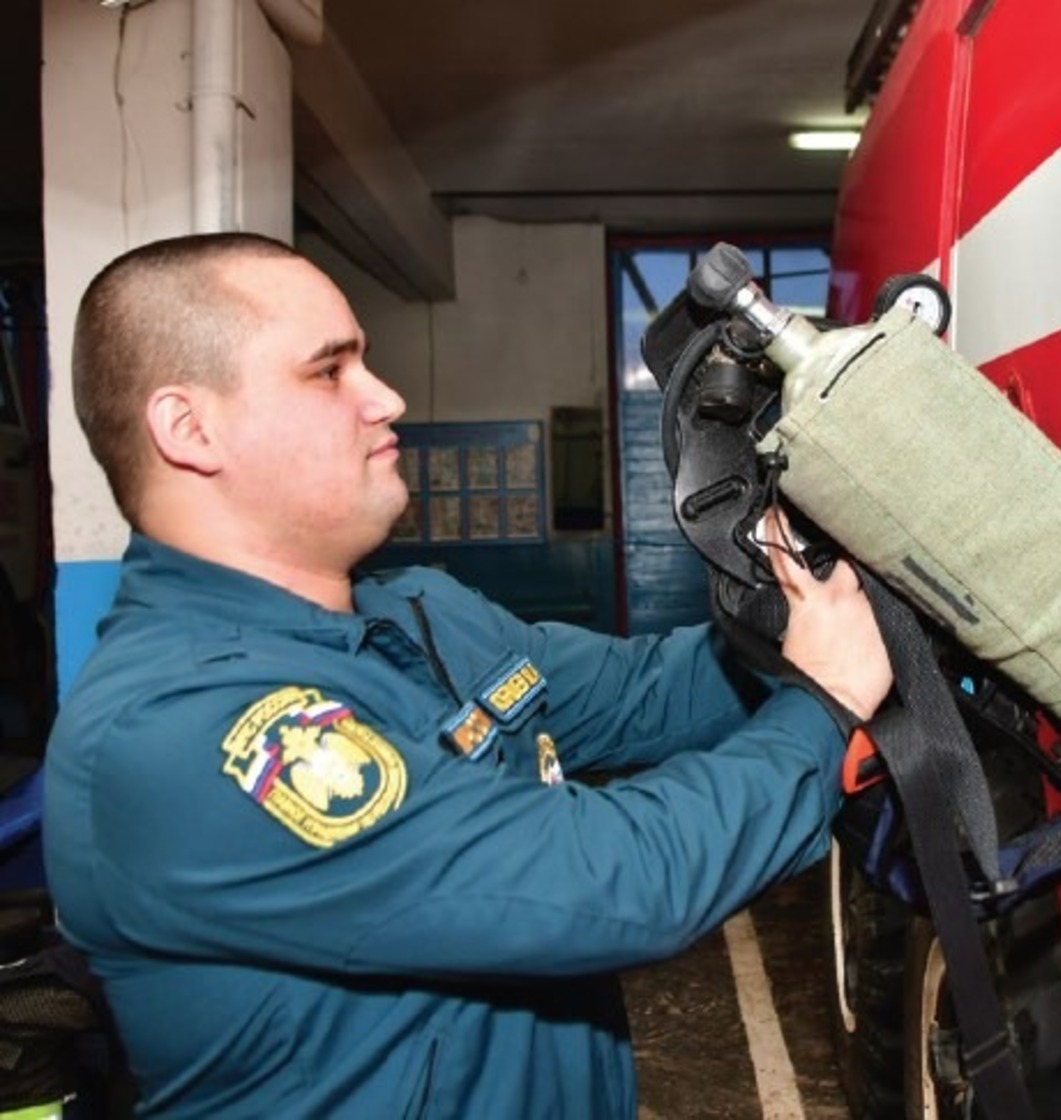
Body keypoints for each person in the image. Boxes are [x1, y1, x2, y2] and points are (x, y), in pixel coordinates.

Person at [42, 232, 892, 1118]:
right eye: (329, 372)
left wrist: (807, 608)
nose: (387, 398)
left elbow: (649, 693)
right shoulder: (179, 730)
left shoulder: (417, 614)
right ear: (190, 429)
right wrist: (821, 708)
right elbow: (600, 882)